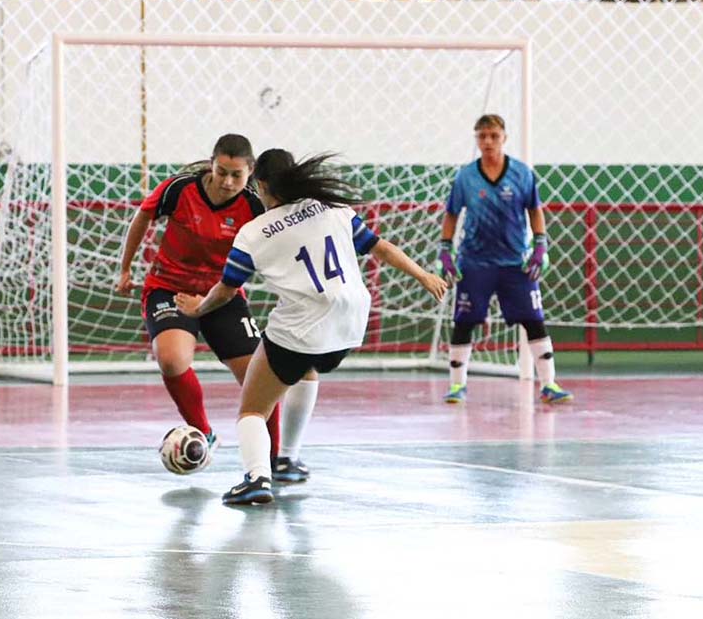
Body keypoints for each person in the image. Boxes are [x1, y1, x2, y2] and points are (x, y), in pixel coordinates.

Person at [176, 149, 446, 505]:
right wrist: (424, 275)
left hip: (303, 327)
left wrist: (198, 308)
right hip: (350, 326)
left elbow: (226, 291)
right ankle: (288, 458)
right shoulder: (334, 209)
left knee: (252, 409)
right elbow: (381, 248)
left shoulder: (254, 232)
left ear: (261, 185)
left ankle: (257, 478)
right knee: (306, 367)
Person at [118, 134, 315, 480]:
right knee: (172, 359)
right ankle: (203, 433)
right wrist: (125, 267)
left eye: (236, 175)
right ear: (211, 163)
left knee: (261, 380)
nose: (227, 182)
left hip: (222, 295)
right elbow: (142, 218)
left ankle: (273, 460)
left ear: (250, 173)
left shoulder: (256, 207)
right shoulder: (178, 190)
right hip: (170, 289)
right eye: (221, 171)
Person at [438, 114, 572, 405]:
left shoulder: (522, 174)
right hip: (475, 262)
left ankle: (549, 384)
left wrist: (540, 245)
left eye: (493, 136)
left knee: (534, 320)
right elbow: (451, 213)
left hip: (515, 262)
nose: (487, 141)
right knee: (464, 321)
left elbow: (535, 210)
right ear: (476, 139)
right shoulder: (466, 177)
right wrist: (445, 249)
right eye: (482, 136)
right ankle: (457, 386)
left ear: (504, 138)